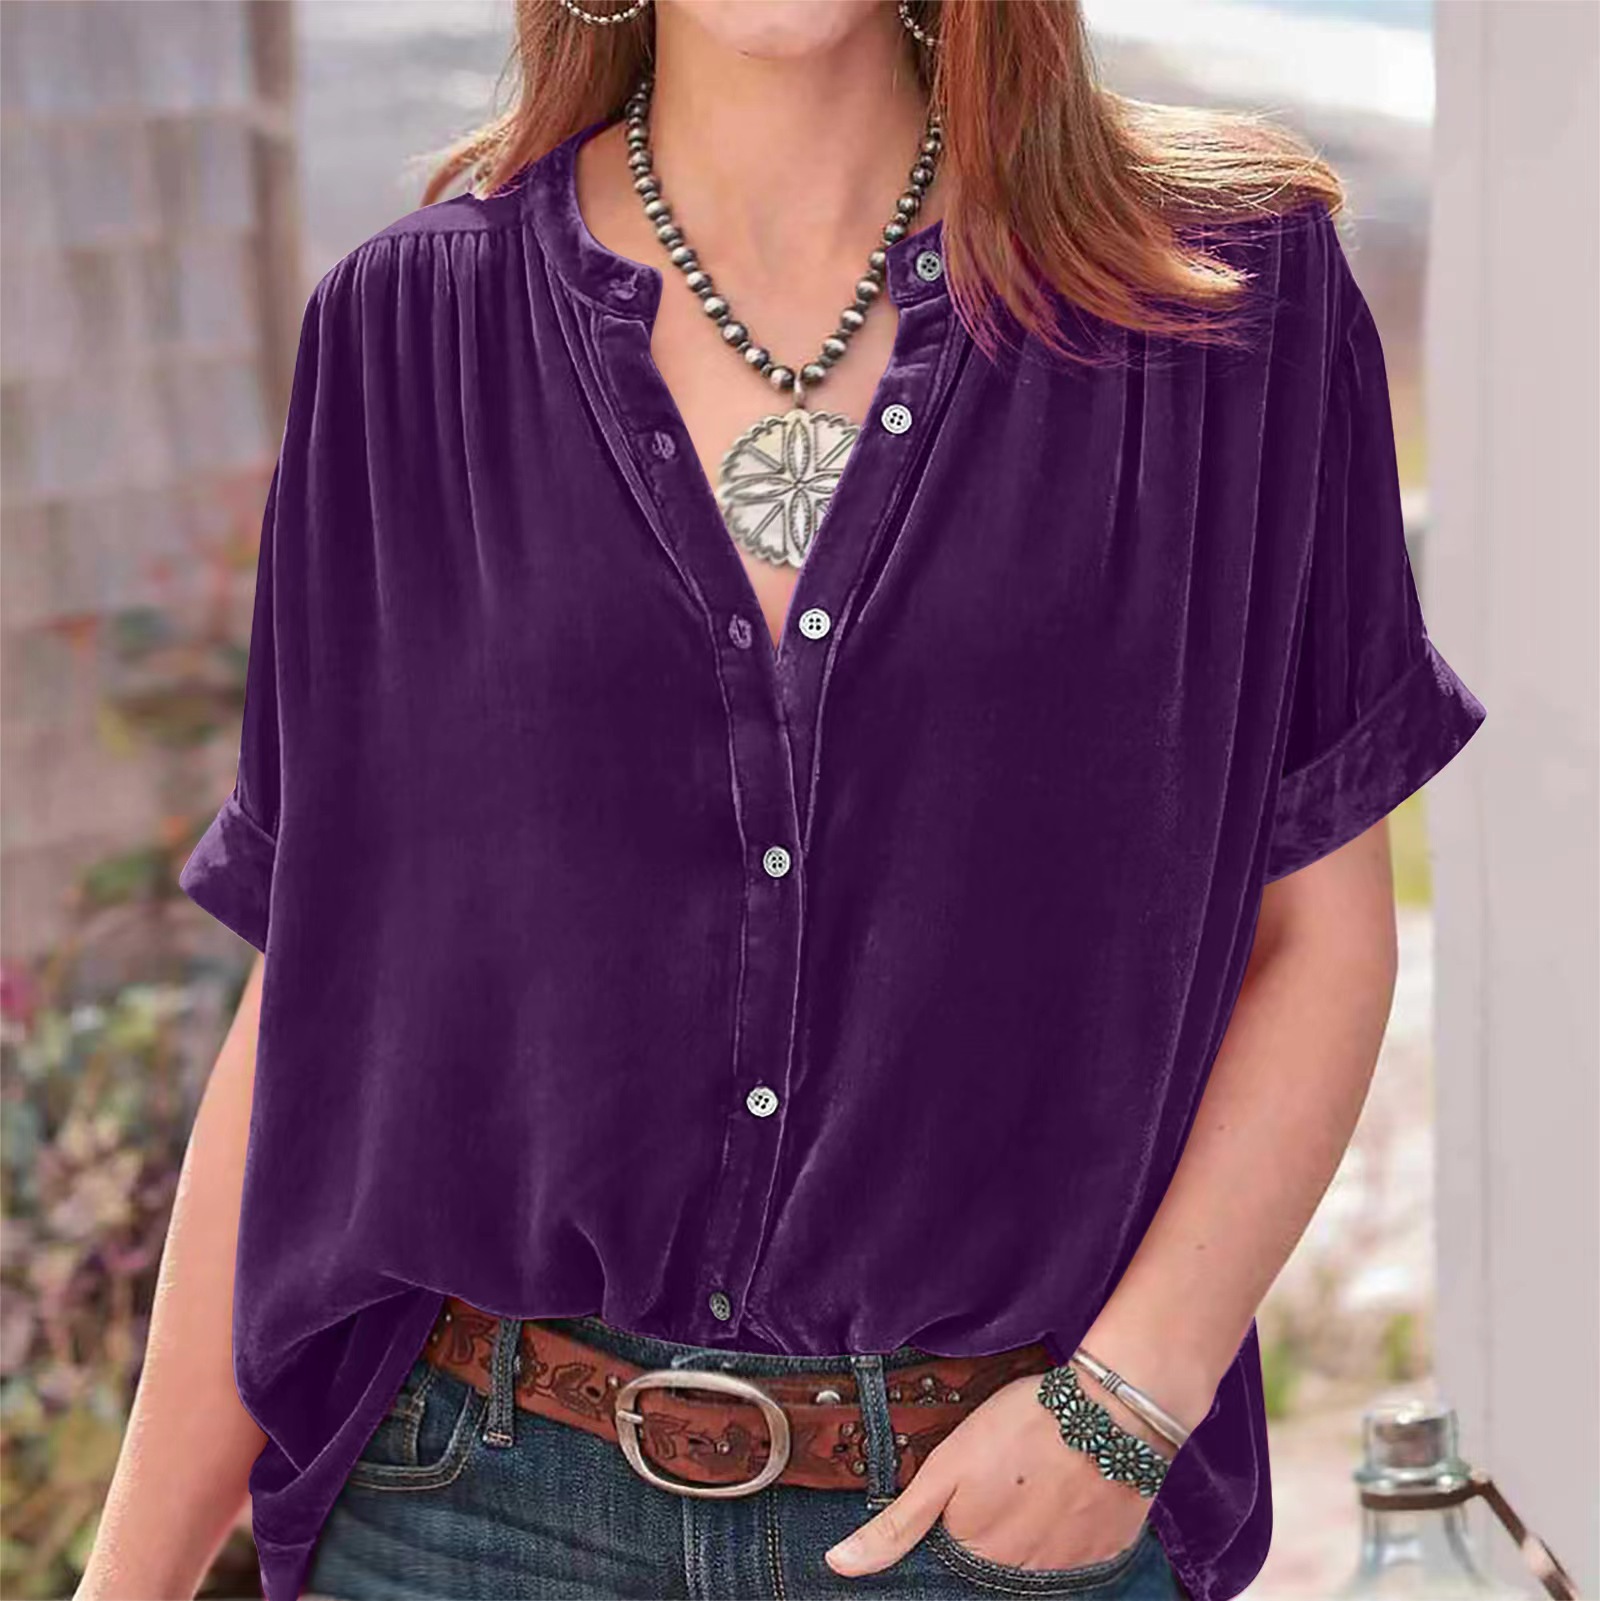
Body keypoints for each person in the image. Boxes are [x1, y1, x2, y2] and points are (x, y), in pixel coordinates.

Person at [76, 2, 1487, 1599]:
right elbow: (321, 1006)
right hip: (469, 1508)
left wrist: (1127, 1403)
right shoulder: (405, 337)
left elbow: (1320, 934)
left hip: (987, 1521)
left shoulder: (1224, 303)